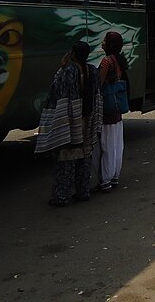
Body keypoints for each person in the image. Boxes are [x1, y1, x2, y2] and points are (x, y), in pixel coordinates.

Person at [35, 41, 103, 207]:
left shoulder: (69, 71)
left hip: (71, 121)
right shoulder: (92, 71)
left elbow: (57, 90)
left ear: (73, 54)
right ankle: (83, 191)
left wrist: (62, 67)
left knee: (65, 160)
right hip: (88, 119)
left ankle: (62, 196)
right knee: (84, 157)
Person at [93, 31, 129, 192]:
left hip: (106, 108)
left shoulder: (107, 61)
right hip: (116, 108)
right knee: (116, 144)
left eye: (105, 40)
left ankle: (105, 180)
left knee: (105, 145)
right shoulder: (120, 60)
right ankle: (114, 176)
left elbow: (99, 83)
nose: (102, 42)